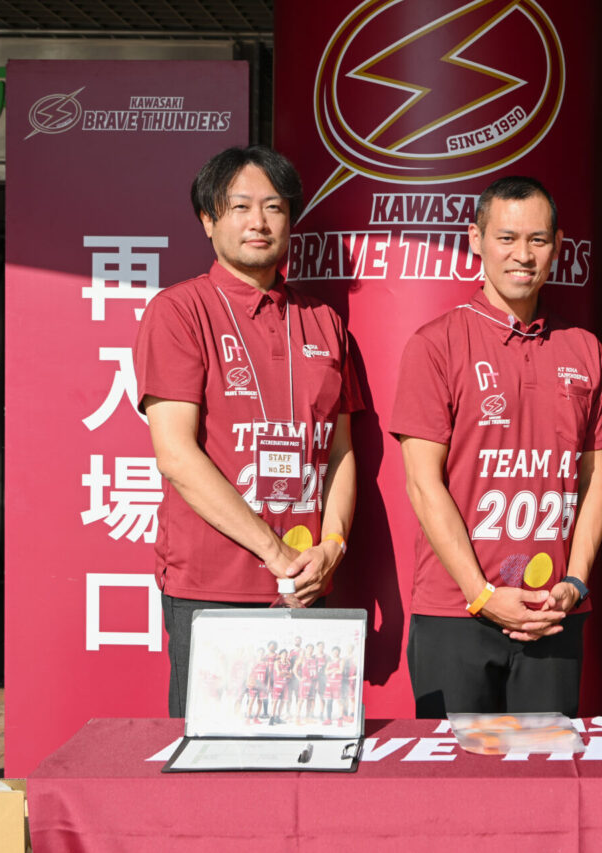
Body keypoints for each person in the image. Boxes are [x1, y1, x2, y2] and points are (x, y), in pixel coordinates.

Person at [135, 145, 362, 717]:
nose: (258, 222)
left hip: (306, 582)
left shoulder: (325, 321)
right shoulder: (180, 311)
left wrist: (331, 547)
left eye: (273, 207)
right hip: (214, 588)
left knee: (304, 746)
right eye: (239, 207)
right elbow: (175, 455)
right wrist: (274, 552)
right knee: (214, 755)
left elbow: (339, 451)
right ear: (208, 220)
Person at [390, 175, 602, 718]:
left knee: (545, 767)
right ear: (476, 240)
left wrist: (575, 582)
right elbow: (423, 485)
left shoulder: (585, 349)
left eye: (538, 240)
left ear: (557, 246)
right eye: (506, 238)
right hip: (457, 612)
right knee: (453, 770)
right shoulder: (436, 344)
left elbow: (595, 480)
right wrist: (481, 593)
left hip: (552, 612)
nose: (523, 255)